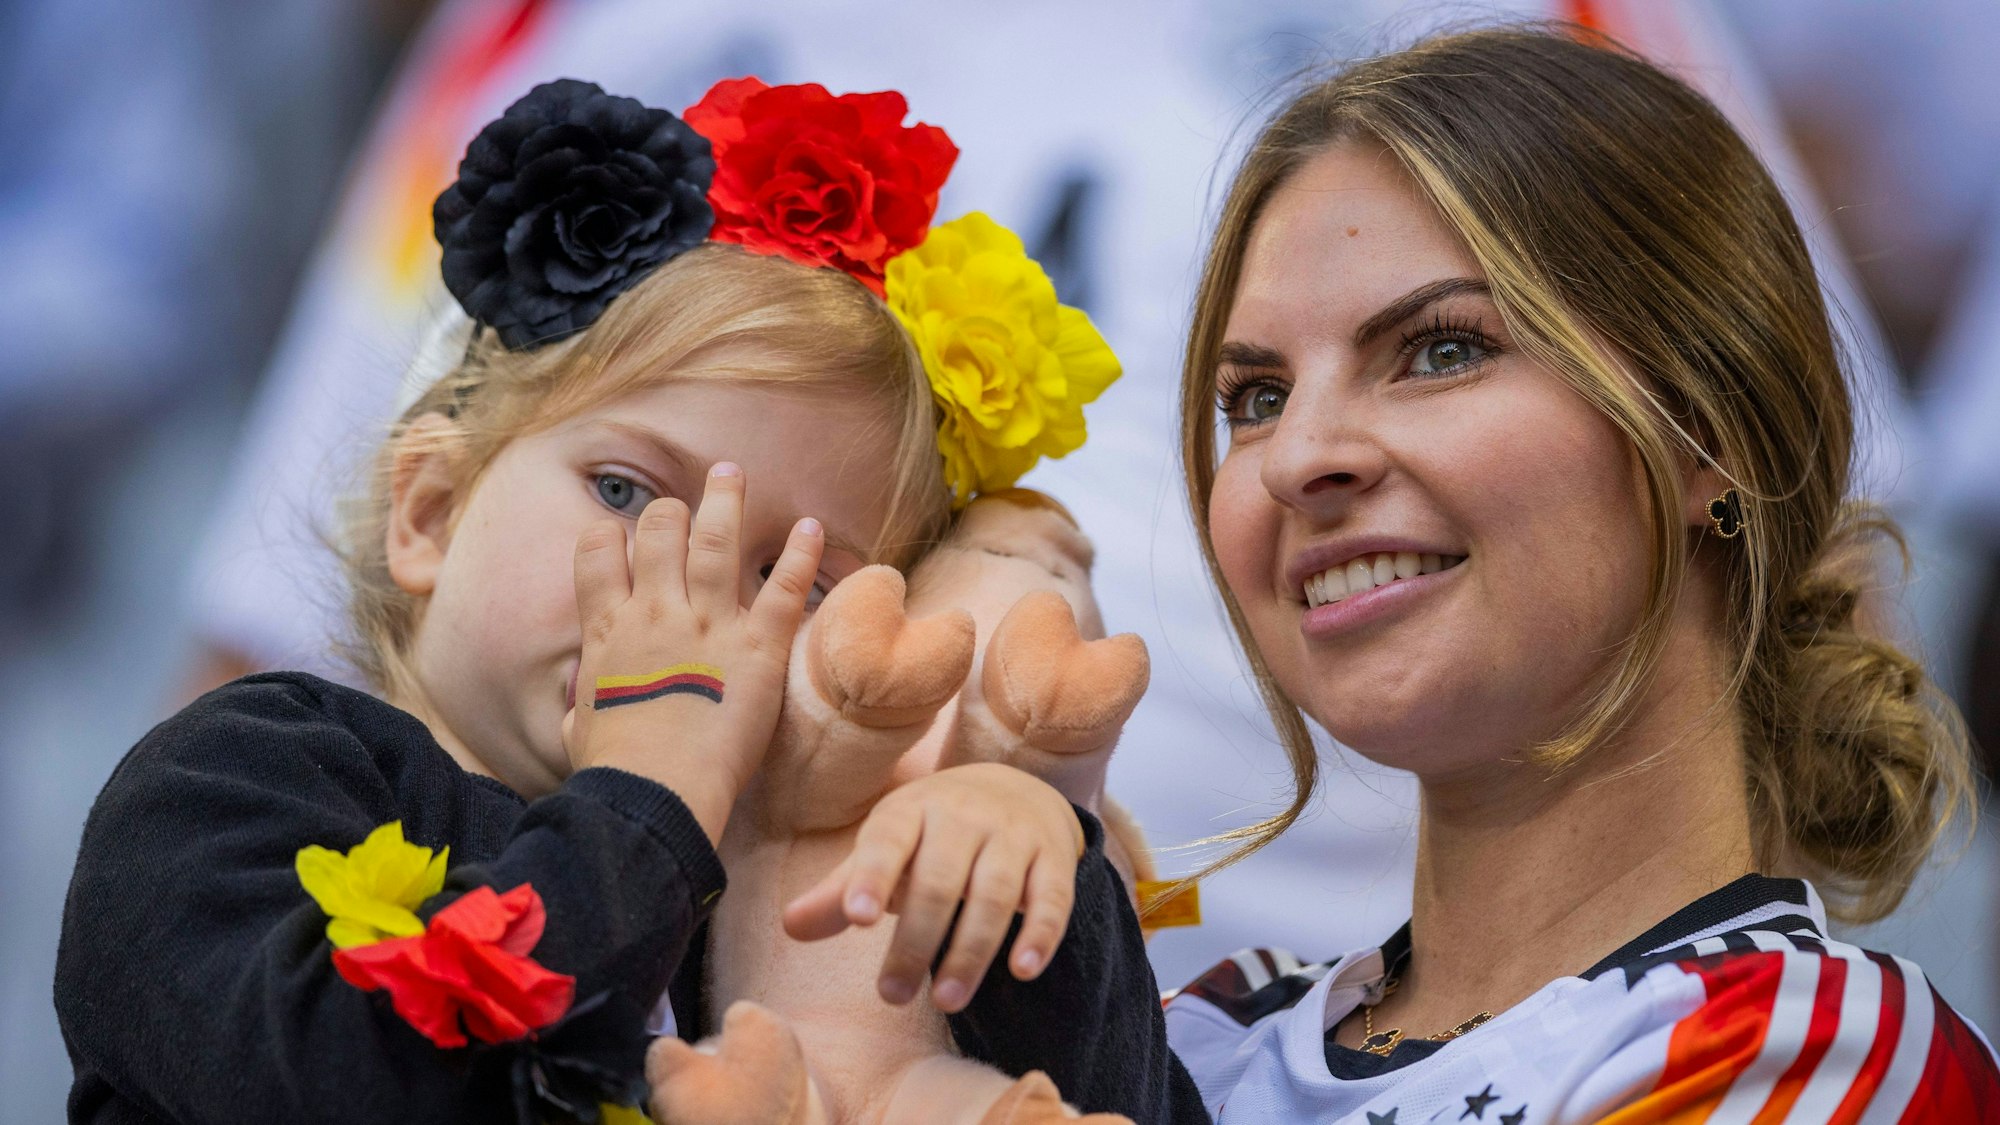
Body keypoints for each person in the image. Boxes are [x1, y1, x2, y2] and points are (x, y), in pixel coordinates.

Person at [53, 78, 1175, 1123]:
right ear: (431, 512)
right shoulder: (234, 774)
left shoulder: (800, 910)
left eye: (801, 574)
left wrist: (1037, 857)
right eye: (626, 490)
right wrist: (642, 797)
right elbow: (312, 1080)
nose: (690, 585)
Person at [987, 25, 2000, 1123]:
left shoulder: (1815, 1057)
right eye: (1256, 398)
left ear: (1707, 431)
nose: (1296, 458)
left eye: (1441, 350)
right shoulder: (1192, 1036)